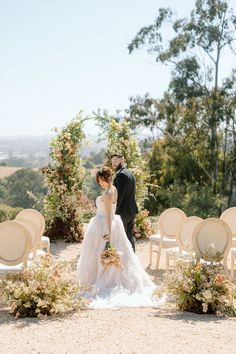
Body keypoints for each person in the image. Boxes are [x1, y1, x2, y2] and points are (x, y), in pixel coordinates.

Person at [77, 166, 158, 308]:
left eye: (102, 180)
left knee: (102, 253)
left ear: (108, 178)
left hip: (104, 224)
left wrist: (108, 234)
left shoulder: (109, 192)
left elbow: (108, 215)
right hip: (110, 222)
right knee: (111, 254)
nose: (100, 183)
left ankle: (106, 280)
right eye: (99, 180)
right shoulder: (113, 189)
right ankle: (104, 277)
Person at [111, 154, 138, 252]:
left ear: (122, 160)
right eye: (112, 161)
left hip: (123, 212)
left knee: (121, 239)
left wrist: (113, 211)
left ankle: (124, 262)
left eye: (116, 160)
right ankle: (132, 258)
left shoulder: (121, 174)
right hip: (131, 211)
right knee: (129, 237)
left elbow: (119, 196)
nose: (113, 163)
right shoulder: (130, 173)